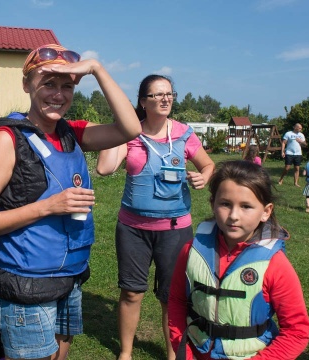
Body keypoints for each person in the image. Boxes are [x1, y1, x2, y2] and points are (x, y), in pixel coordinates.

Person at [0, 43, 141, 360]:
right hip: (28, 285)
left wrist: (97, 69)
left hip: (69, 278)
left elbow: (131, 128)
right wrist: (49, 206)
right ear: (26, 85)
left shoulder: (71, 133)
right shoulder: (8, 140)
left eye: (66, 86)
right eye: (48, 83)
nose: (57, 94)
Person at [96, 74, 214, 360]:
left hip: (175, 230)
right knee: (131, 293)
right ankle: (125, 352)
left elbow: (208, 164)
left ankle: (173, 354)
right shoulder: (130, 133)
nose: (166, 99)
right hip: (133, 230)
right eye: (158, 94)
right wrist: (118, 130)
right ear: (142, 102)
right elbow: (104, 168)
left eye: (169, 94)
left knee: (171, 298)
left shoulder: (185, 133)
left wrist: (204, 177)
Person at [168, 160, 309, 359]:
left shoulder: (276, 265)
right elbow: (176, 301)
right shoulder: (190, 251)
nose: (234, 216)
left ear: (266, 211)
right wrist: (183, 351)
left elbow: (297, 332)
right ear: (213, 203)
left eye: (246, 206)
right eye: (225, 204)